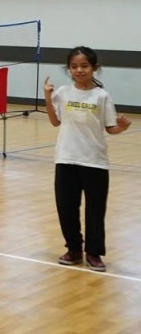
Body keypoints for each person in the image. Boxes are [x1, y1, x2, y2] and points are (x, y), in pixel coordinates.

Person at [46, 46, 131, 272]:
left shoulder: (101, 96)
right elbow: (55, 122)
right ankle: (73, 249)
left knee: (95, 210)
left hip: (94, 161)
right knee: (66, 208)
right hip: (66, 158)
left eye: (84, 66)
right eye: (74, 66)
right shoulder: (62, 92)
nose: (79, 70)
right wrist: (47, 97)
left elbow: (110, 128)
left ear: (95, 68)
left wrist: (121, 128)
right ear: (69, 69)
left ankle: (94, 253)